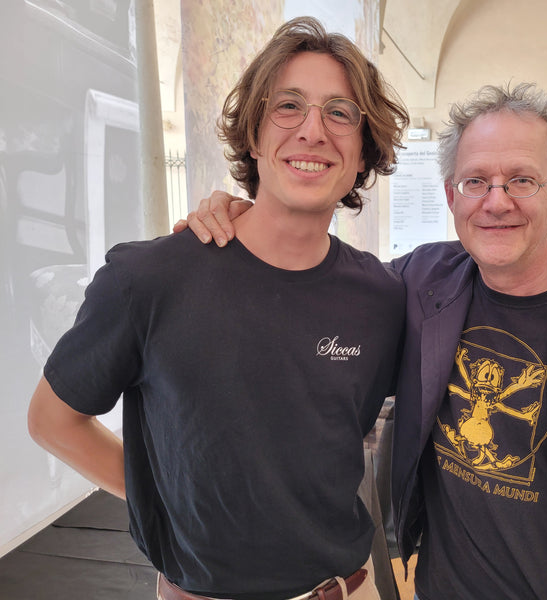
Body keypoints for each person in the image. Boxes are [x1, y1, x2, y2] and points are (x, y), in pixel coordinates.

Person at [181, 83, 547, 600]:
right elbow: (325, 290)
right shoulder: (424, 281)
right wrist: (252, 220)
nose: (496, 201)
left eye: (521, 180)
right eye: (475, 181)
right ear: (450, 196)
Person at [27, 17, 408, 600]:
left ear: (364, 154)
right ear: (254, 137)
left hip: (345, 590)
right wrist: (159, 496)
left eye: (340, 112)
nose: (313, 130)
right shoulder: (148, 280)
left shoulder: (382, 298)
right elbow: (52, 420)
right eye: (288, 106)